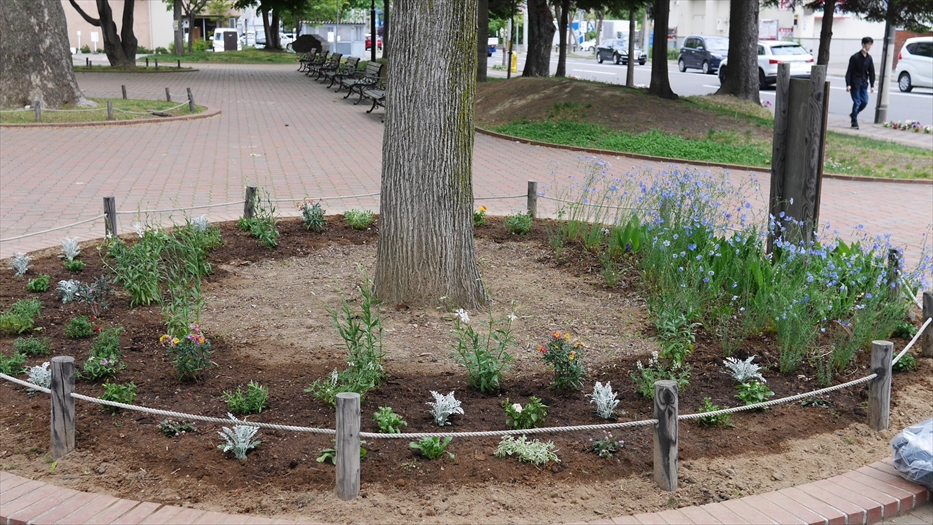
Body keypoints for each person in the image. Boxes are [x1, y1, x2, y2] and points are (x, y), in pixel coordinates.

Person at [845, 36, 875, 130]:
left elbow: (872, 72)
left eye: (870, 45)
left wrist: (872, 85)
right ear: (863, 44)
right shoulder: (855, 57)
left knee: (865, 101)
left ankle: (853, 114)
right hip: (855, 83)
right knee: (857, 102)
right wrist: (848, 84)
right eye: (867, 44)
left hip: (863, 83)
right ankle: (854, 122)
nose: (869, 46)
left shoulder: (869, 58)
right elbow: (849, 71)